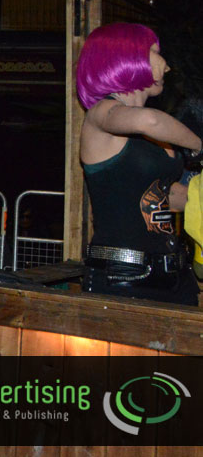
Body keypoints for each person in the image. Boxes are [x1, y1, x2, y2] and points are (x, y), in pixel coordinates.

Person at [76, 23, 201, 305]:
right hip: (123, 277)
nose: (166, 66)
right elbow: (150, 121)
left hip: (175, 275)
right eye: (155, 52)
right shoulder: (101, 114)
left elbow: (165, 198)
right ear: (127, 58)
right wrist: (199, 146)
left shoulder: (156, 134)